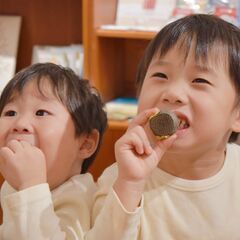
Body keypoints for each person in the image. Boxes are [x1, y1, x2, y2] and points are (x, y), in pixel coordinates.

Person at [91, 14, 240, 239]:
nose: (172, 94)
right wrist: (130, 184)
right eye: (160, 75)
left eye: (200, 80)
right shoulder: (121, 178)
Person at [0, 62, 107, 239]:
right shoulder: (13, 183)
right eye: (11, 113)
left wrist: (30, 187)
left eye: (41, 113)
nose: (20, 125)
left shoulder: (77, 199)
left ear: (85, 144)